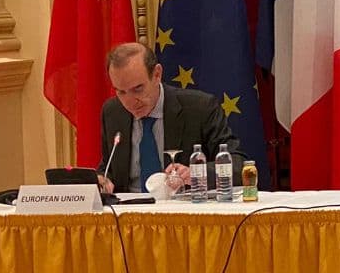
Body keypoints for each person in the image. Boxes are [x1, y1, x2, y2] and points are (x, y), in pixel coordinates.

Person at [99, 42, 242, 193]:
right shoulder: (112, 112)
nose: (130, 102)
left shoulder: (200, 108)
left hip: (184, 205)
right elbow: (109, 169)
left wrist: (197, 173)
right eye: (121, 92)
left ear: (157, 74)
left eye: (138, 89)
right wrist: (101, 180)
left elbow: (238, 164)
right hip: (129, 206)